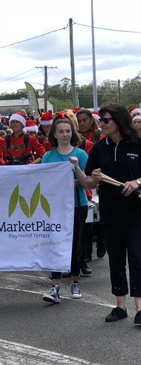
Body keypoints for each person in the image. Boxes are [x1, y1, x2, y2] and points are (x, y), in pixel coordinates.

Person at [72, 103, 141, 323]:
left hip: (136, 212)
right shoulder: (99, 148)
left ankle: (140, 309)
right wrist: (91, 176)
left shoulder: (138, 143)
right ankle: (120, 306)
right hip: (110, 213)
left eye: (105, 120)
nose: (101, 124)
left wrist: (136, 181)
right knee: (116, 260)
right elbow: (89, 181)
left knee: (138, 259)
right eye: (100, 120)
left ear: (118, 121)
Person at [39, 118, 90, 303]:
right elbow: (45, 182)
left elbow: (86, 183)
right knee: (55, 244)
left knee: (75, 243)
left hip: (78, 204)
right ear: (54, 134)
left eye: (68, 131)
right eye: (60, 131)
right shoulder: (48, 156)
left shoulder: (81, 154)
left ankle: (75, 281)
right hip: (55, 206)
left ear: (72, 132)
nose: (65, 134)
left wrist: (75, 167)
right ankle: (55, 287)